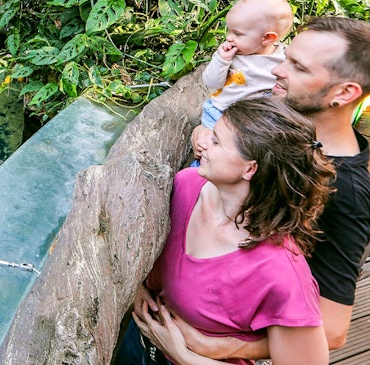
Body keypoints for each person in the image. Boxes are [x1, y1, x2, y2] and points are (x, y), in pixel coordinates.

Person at [179, 16, 370, 358]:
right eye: (286, 56)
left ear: (344, 93)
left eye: (298, 67)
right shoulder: (282, 115)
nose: (278, 70)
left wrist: (224, 346)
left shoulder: (344, 194)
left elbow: (333, 328)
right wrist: (204, 136)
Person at [116, 97, 336, 365]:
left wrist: (184, 357)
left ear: (249, 169)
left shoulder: (282, 274)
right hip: (136, 345)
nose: (203, 141)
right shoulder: (185, 185)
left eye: (216, 141)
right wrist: (136, 286)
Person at [189, 0, 293, 166]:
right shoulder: (229, 54)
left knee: (237, 157)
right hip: (218, 113)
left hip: (251, 123)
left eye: (237, 33)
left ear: (268, 38)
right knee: (209, 153)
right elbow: (211, 83)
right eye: (229, 30)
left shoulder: (282, 59)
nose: (229, 37)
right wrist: (222, 60)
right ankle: (197, 174)